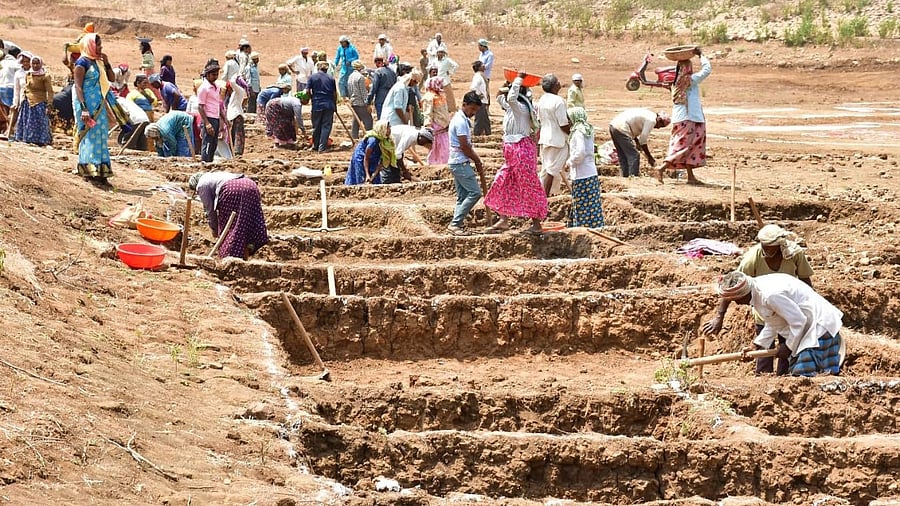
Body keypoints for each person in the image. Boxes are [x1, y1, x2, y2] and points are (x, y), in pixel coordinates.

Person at [703, 224, 815, 375]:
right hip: (766, 312)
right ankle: (763, 380)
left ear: (779, 244)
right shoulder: (752, 259)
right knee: (764, 354)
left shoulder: (793, 255)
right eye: (764, 246)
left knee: (788, 351)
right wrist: (719, 316)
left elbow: (805, 281)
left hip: (790, 311)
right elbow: (733, 285)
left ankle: (784, 379)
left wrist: (811, 306)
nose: (767, 250)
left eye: (770, 247)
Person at [707, 271, 844, 377]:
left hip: (818, 326)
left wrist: (788, 346)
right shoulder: (757, 290)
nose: (736, 303)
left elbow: (799, 321)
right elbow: (775, 321)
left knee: (804, 377)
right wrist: (756, 345)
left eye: (736, 299)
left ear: (743, 294)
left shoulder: (770, 295)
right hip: (807, 325)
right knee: (803, 375)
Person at [483, 73, 546, 235]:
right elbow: (499, 97)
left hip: (521, 149)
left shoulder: (522, 108)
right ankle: (503, 220)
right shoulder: (513, 108)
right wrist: (508, 83)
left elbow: (510, 98)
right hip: (511, 150)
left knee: (528, 185)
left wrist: (518, 79)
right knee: (501, 181)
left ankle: (536, 223)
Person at [659, 46, 711, 185]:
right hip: (689, 118)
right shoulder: (689, 80)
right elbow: (707, 70)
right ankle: (662, 168)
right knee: (685, 146)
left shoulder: (677, 82)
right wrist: (701, 56)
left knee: (690, 146)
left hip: (682, 118)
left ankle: (690, 177)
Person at [189, 171, 268, 260]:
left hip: (233, 190)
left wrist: (215, 229)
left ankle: (230, 258)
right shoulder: (213, 176)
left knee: (231, 229)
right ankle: (245, 258)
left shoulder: (201, 185)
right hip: (251, 185)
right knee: (245, 224)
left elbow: (210, 211)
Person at [73, 34, 117, 186]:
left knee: (101, 136)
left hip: (99, 104)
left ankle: (101, 172)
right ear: (90, 45)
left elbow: (111, 79)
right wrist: (84, 109)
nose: (101, 48)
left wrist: (107, 62)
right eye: (98, 45)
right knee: (90, 137)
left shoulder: (98, 62)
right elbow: (78, 86)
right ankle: (89, 171)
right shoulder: (81, 63)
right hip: (86, 105)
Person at [446, 91, 484, 236]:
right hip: (460, 162)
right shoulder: (460, 122)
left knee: (462, 196)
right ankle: (455, 224)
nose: (473, 112)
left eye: (476, 110)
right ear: (464, 105)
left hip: (457, 161)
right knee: (475, 193)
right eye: (472, 109)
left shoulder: (461, 119)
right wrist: (477, 160)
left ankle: (457, 223)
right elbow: (465, 146)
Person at [565, 107, 604, 228]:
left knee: (582, 205)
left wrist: (569, 162)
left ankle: (583, 229)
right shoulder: (587, 129)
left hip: (582, 174)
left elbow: (580, 153)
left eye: (569, 119)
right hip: (590, 172)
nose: (568, 121)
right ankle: (597, 228)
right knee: (593, 204)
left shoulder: (577, 132)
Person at [608, 108, 670, 178]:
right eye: (660, 126)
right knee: (634, 155)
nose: (658, 128)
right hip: (622, 128)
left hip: (613, 126)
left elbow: (633, 124)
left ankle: (625, 177)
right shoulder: (652, 121)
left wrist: (637, 142)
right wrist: (650, 157)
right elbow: (643, 140)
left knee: (623, 155)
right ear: (659, 120)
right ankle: (633, 177)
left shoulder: (649, 114)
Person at [536, 73, 570, 197]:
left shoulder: (543, 99)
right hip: (558, 140)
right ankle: (544, 198)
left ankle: (543, 196)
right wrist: (572, 135)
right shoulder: (559, 101)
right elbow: (563, 124)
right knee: (551, 170)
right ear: (555, 86)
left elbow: (540, 120)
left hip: (545, 138)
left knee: (546, 169)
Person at [13, 55, 53, 146]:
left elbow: (50, 91)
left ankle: (41, 140)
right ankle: (26, 138)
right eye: (33, 63)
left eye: (37, 63)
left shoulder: (45, 76)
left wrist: (49, 104)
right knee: (26, 120)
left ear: (41, 64)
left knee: (40, 121)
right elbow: (26, 88)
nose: (35, 66)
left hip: (39, 102)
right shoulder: (28, 74)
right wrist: (19, 101)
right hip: (27, 102)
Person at [197, 59, 229, 163]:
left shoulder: (216, 87)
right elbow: (200, 107)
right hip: (209, 118)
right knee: (208, 142)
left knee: (214, 143)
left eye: (217, 74)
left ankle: (210, 162)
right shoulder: (204, 88)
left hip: (216, 118)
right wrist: (207, 123)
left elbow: (218, 105)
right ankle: (205, 162)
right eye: (213, 75)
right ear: (208, 75)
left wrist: (225, 119)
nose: (215, 77)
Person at [345, 120, 396, 185]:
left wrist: (376, 170)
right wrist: (367, 175)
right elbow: (366, 158)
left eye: (389, 128)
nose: (390, 130)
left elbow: (382, 160)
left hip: (374, 157)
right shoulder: (373, 141)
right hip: (361, 157)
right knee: (361, 179)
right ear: (382, 129)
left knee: (376, 181)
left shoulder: (386, 140)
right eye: (388, 128)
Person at [307, 60, 337, 152]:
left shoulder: (312, 77)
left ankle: (315, 146)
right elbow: (334, 94)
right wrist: (334, 105)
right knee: (326, 126)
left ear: (318, 68)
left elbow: (307, 91)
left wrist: (312, 98)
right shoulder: (331, 78)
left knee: (316, 126)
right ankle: (322, 147)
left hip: (317, 104)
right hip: (328, 104)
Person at [421, 75, 450, 165]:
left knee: (444, 146)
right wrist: (428, 127)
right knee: (436, 147)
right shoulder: (429, 97)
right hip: (436, 127)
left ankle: (443, 162)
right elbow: (427, 113)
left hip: (443, 126)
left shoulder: (440, 95)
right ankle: (434, 164)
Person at [5, 52, 30, 140]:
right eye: (24, 62)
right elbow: (17, 89)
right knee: (16, 114)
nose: (26, 63)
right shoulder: (19, 73)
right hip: (22, 97)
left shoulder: (34, 72)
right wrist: (15, 102)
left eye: (28, 61)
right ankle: (10, 132)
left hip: (33, 98)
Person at [347, 60, 372, 140]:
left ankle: (354, 137)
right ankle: (369, 137)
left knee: (356, 121)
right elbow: (363, 92)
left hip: (353, 102)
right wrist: (367, 104)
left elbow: (349, 90)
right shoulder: (360, 77)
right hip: (360, 103)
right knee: (368, 120)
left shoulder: (350, 76)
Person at [367, 56, 395, 121]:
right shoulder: (392, 72)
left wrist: (369, 101)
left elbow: (374, 87)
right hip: (390, 99)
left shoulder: (378, 72)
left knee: (381, 120)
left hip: (380, 99)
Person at [469, 60, 490, 136]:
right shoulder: (478, 77)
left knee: (485, 119)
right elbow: (473, 87)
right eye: (482, 65)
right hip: (480, 101)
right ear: (478, 67)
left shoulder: (481, 75)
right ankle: (476, 135)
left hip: (483, 101)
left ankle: (488, 133)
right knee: (480, 119)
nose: (484, 66)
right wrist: (479, 95)